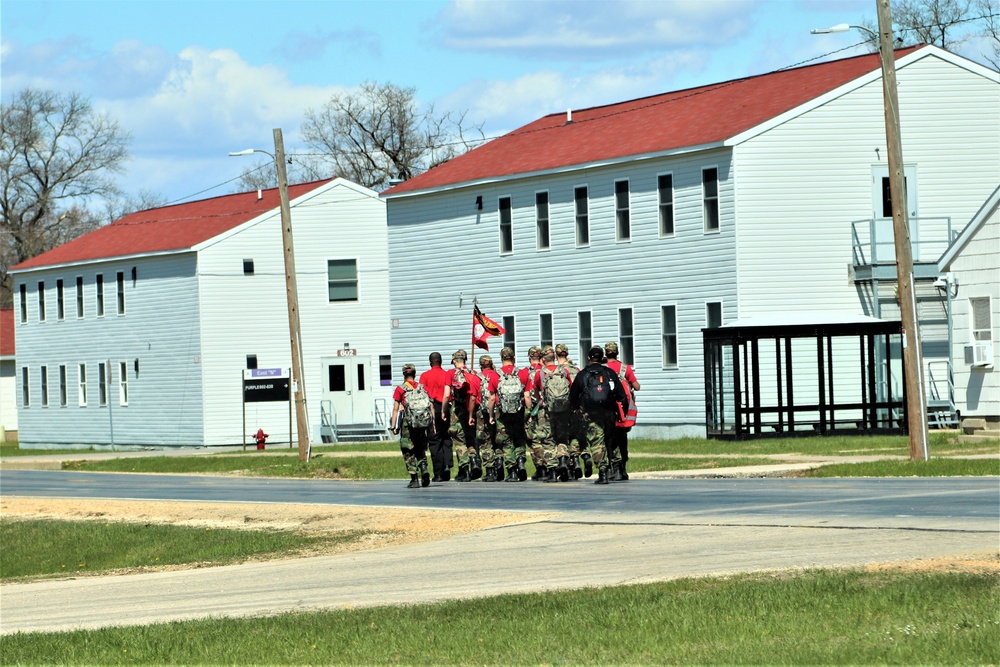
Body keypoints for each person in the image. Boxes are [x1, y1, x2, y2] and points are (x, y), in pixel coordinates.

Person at [570, 346, 626, 484]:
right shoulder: (610, 373)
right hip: (609, 412)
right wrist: (620, 413)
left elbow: (572, 398)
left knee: (596, 442)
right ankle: (618, 469)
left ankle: (603, 472)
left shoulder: (582, 375)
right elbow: (621, 395)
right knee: (612, 440)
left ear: (589, 358)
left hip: (591, 414)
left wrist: (577, 409)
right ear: (602, 358)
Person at [531, 346, 573, 482]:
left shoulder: (540, 374)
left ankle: (553, 472)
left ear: (543, 359)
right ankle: (562, 460)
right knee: (562, 438)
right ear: (554, 357)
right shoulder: (564, 371)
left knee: (548, 440)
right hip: (563, 411)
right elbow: (570, 388)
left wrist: (540, 401)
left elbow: (536, 390)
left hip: (547, 411)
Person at [441, 349, 482, 482]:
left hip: (457, 410)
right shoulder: (474, 373)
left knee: (459, 440)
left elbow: (447, 394)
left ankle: (464, 470)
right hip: (471, 410)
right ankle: (474, 460)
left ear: (454, 361)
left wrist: (443, 410)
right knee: (470, 438)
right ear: (465, 360)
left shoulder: (451, 374)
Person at [389, 363, 432, 488]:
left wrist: (394, 426)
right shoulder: (422, 388)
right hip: (422, 423)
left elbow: (396, 409)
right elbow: (430, 406)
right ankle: (424, 468)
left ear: (404, 374)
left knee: (408, 450)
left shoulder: (400, 389)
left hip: (408, 424)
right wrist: (431, 424)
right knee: (420, 447)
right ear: (414, 373)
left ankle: (414, 478)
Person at [604, 341, 640, 481]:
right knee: (622, 438)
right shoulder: (625, 368)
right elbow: (637, 387)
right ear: (617, 352)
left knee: (610, 439)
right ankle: (623, 468)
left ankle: (615, 468)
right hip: (623, 411)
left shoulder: (603, 369)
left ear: (606, 353)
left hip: (609, 409)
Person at [494, 346, 530, 482]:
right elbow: (527, 396)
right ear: (513, 358)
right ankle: (521, 460)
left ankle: (512, 470)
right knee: (519, 438)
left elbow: (492, 398)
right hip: (519, 412)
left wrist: (491, 415)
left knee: (506, 441)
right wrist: (529, 413)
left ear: (501, 358)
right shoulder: (522, 373)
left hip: (503, 414)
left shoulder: (495, 374)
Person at [556, 343, 587, 478]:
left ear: (557, 355)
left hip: (562, 409)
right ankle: (576, 461)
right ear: (566, 354)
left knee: (562, 437)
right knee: (575, 435)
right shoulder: (577, 369)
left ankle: (565, 463)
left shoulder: (557, 371)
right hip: (577, 408)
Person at [419, 351, 451, 482]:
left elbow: (422, 394)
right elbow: (449, 393)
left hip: (431, 409)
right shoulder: (446, 374)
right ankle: (447, 467)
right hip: (445, 407)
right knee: (446, 438)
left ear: (430, 362)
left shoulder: (424, 376)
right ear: (441, 361)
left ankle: (438, 473)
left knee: (434, 440)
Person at [477, 354, 503, 481]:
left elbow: (473, 397)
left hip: (483, 413)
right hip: (498, 410)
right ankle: (500, 465)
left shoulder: (477, 378)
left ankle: (490, 471)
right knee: (498, 438)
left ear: (480, 365)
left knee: (485, 441)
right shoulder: (498, 375)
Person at [523, 346, 547, 480]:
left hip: (532, 410)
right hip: (545, 408)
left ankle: (541, 468)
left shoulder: (525, 372)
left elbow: (526, 395)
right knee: (547, 438)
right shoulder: (546, 371)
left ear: (529, 357)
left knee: (534, 441)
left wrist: (529, 413)